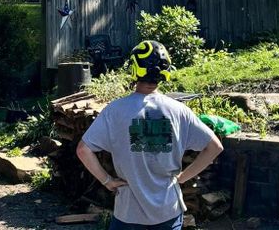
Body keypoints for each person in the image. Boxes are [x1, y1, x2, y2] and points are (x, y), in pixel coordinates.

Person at [76, 40, 223, 230]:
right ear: (165, 70)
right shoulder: (179, 111)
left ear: (135, 69)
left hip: (128, 212)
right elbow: (215, 147)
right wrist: (182, 178)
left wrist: (107, 181)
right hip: (168, 210)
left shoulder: (115, 111)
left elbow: (83, 150)